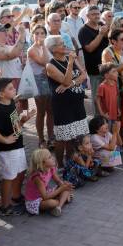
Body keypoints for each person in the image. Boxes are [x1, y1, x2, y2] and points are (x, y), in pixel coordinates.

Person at [0, 78, 34, 216]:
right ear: (1, 94)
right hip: (8, 150)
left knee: (20, 171)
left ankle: (16, 196)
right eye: (10, 88)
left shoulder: (11, 104)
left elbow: (15, 126)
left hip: (18, 145)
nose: (14, 89)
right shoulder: (0, 110)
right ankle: (5, 206)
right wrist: (5, 140)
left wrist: (23, 120)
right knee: (9, 177)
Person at [45, 36, 88, 167]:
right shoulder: (50, 65)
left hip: (77, 104)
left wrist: (72, 83)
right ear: (53, 49)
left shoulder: (71, 58)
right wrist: (70, 64)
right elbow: (66, 80)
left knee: (76, 136)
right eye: (61, 44)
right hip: (63, 106)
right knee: (64, 138)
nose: (64, 45)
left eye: (64, 43)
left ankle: (71, 162)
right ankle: (60, 165)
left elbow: (84, 74)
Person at [24, 148, 73, 217]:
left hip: (46, 193)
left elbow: (58, 181)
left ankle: (58, 207)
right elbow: (45, 197)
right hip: (35, 201)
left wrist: (64, 186)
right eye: (49, 157)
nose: (53, 158)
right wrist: (61, 189)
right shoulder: (37, 177)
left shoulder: (51, 168)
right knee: (52, 203)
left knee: (66, 187)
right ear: (42, 162)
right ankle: (61, 200)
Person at [27, 25, 54, 148]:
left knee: (51, 110)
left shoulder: (46, 47)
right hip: (38, 81)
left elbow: (51, 62)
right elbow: (44, 62)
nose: (40, 36)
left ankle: (51, 137)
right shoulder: (32, 50)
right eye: (37, 33)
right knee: (41, 111)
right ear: (33, 35)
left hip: (49, 79)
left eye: (42, 33)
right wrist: (42, 45)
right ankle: (41, 139)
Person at [0, 23, 25, 105]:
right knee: (8, 115)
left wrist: (23, 65)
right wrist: (22, 34)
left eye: (6, 30)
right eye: (2, 30)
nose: (5, 31)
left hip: (14, 88)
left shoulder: (8, 47)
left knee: (17, 115)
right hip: (4, 90)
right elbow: (12, 54)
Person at [78, 5, 110, 99]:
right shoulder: (83, 30)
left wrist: (107, 30)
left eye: (98, 14)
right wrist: (100, 34)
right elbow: (89, 48)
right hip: (95, 70)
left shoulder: (101, 25)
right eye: (93, 14)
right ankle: (98, 114)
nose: (96, 16)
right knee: (97, 97)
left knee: (107, 96)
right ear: (87, 16)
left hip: (106, 67)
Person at [96, 63, 122, 142]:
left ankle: (114, 147)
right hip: (106, 114)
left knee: (114, 130)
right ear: (106, 75)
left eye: (116, 71)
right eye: (114, 71)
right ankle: (109, 147)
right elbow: (97, 99)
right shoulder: (102, 86)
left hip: (114, 112)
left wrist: (118, 108)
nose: (117, 73)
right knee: (107, 132)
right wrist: (102, 113)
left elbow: (116, 97)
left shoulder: (115, 84)